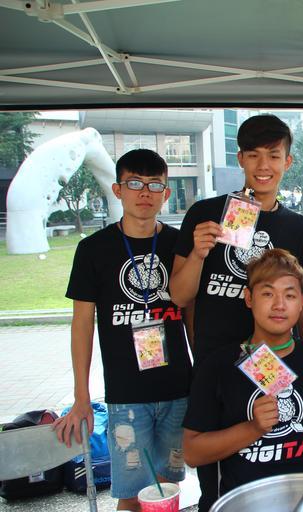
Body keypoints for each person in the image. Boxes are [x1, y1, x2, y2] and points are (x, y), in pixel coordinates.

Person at [170, 114, 303, 509]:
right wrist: (199, 253)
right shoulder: (205, 214)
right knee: (220, 479)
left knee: (277, 459)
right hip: (217, 368)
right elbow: (180, 296)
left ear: (288, 161)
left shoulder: (299, 228)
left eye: (274, 155)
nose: (263, 165)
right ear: (240, 159)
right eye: (253, 155)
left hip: (277, 365)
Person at [54, 149, 192, 512]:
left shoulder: (180, 245)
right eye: (134, 183)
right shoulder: (93, 250)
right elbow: (82, 325)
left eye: (154, 185)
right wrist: (81, 396)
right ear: (117, 190)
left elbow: (193, 314)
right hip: (126, 395)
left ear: (166, 192)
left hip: (178, 388)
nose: (144, 192)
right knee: (131, 494)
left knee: (167, 489)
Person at [182, 249, 303, 503]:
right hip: (245, 503)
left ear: (302, 302)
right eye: (267, 293)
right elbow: (192, 453)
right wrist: (253, 428)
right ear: (249, 298)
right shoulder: (218, 366)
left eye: (289, 295)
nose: (279, 305)